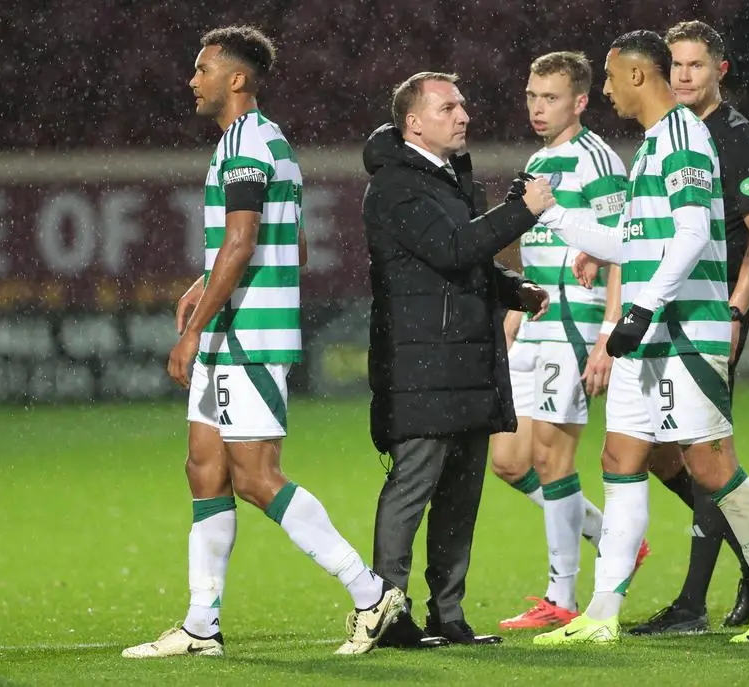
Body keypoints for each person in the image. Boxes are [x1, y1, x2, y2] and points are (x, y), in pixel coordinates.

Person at [123, 25, 403, 659]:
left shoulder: (249, 142)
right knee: (205, 469)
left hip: (247, 338)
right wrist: (204, 282)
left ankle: (370, 594)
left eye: (202, 70)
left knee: (255, 478)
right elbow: (291, 244)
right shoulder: (251, 143)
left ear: (236, 79)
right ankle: (201, 627)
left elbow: (245, 240)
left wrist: (194, 330)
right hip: (231, 329)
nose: (192, 81)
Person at [530, 29, 749, 645]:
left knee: (711, 467)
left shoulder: (684, 136)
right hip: (650, 335)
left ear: (634, 77)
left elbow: (686, 236)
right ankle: (601, 615)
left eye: (608, 77)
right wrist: (552, 214)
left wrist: (639, 308)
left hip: (684, 332)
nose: (603, 90)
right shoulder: (655, 145)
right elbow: (631, 242)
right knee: (620, 459)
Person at [362, 71, 555, 648]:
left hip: (464, 361)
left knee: (460, 496)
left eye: (464, 105)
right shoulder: (396, 186)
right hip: (422, 365)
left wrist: (509, 288)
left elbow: (460, 260)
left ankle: (449, 616)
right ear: (414, 122)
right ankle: (389, 614)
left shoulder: (449, 178)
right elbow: (449, 249)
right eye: (448, 107)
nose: (463, 114)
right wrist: (522, 210)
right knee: (413, 487)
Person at [628, 20, 749, 637]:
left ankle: (694, 603)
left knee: (704, 455)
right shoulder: (669, 134)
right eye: (677, 65)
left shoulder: (733, 137)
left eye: (696, 65)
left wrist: (738, 307)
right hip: (669, 318)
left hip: (704, 316)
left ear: (720, 70)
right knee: (657, 451)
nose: (685, 75)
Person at [489, 51, 650, 631]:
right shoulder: (538, 160)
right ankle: (615, 538)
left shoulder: (598, 161)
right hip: (534, 323)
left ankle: (561, 598)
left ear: (580, 101)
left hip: (574, 326)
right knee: (508, 461)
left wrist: (608, 335)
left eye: (550, 97)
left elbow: (623, 251)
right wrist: (513, 312)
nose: (537, 107)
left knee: (552, 459)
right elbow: (535, 247)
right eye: (532, 95)